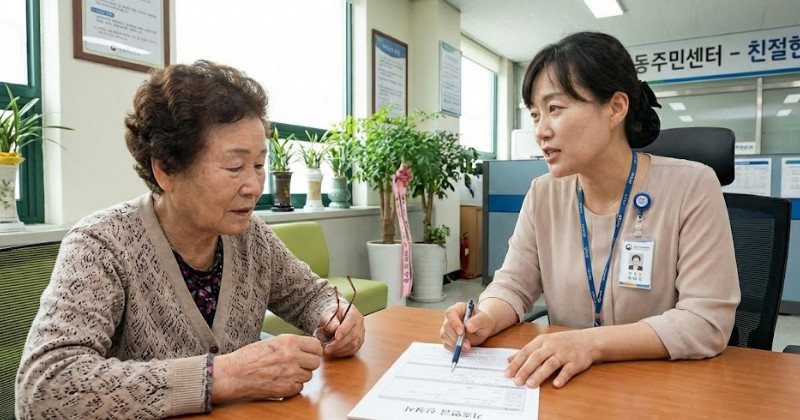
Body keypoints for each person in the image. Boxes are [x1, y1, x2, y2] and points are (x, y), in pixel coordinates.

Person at [16, 60, 365, 419]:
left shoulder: (252, 236)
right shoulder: (101, 245)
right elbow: (43, 389)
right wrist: (223, 376)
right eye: (234, 167)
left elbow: (311, 295)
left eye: (259, 165)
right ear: (166, 168)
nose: (253, 186)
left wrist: (335, 315)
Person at [440, 32, 740, 390]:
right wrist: (485, 317)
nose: (541, 131)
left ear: (616, 107)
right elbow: (513, 284)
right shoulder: (543, 193)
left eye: (555, 109)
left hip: (661, 388)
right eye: (535, 115)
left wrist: (590, 344)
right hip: (570, 385)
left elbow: (705, 321)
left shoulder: (692, 186)